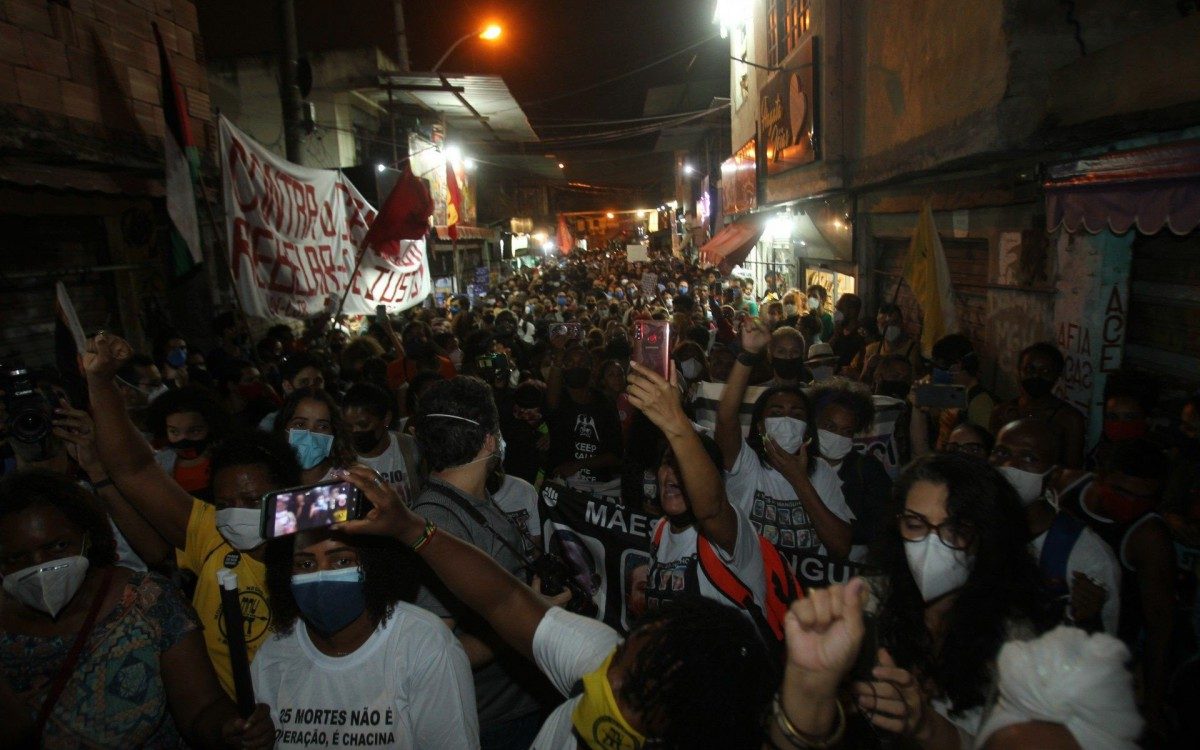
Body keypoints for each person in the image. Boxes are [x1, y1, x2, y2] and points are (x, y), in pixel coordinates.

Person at [333, 465, 779, 750]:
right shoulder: (596, 657)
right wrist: (412, 529)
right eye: (623, 655)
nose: (608, 676)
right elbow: (505, 598)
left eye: (634, 689)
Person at [85, 329, 301, 699]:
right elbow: (135, 469)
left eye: (252, 500)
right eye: (225, 502)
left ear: (288, 497)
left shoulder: (319, 552)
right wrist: (101, 382)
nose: (236, 514)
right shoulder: (210, 536)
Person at [0, 470, 273, 748]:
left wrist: (229, 728)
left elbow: (202, 708)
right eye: (17, 557)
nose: (40, 566)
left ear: (88, 536)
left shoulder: (148, 600)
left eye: (57, 546)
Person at [857, 453, 1055, 745]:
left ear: (987, 535)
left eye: (954, 529)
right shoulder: (869, 601)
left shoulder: (1021, 641)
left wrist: (925, 724)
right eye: (915, 524)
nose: (931, 545)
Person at [405, 377, 550, 750]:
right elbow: (438, 652)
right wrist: (527, 618)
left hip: (519, 704)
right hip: (491, 722)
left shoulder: (473, 500)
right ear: (489, 438)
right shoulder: (440, 524)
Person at [253, 524, 477, 748]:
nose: (321, 576)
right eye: (306, 564)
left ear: (375, 564)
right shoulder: (276, 651)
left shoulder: (422, 642)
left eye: (342, 561)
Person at [625, 361, 771, 628]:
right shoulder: (660, 531)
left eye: (685, 467)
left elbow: (710, 508)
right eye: (668, 463)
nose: (674, 474)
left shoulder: (731, 529)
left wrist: (675, 422)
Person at [716, 319, 855, 589]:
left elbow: (840, 547)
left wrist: (799, 480)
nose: (787, 420)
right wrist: (747, 356)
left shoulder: (821, 472)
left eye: (797, 414)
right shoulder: (746, 464)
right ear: (760, 425)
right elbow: (725, 418)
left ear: (807, 428)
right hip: (751, 588)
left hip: (805, 597)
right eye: (777, 413)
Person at [1053, 439, 1177, 738]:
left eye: (1143, 497)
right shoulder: (1065, 487)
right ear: (1101, 477)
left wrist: (1153, 705)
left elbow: (1160, 622)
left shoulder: (1148, 537)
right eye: (1122, 491)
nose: (1131, 503)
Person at [990, 419, 1121, 634]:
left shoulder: (1085, 554)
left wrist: (1088, 619)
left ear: (1054, 475)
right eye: (1002, 453)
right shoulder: (975, 529)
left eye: (1029, 457)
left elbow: (1104, 650)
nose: (1009, 466)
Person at [811, 380, 892, 566]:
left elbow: (881, 524)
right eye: (830, 427)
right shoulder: (797, 464)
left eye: (846, 431)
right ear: (814, 422)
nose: (838, 436)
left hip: (851, 570)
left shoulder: (868, 469)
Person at [545, 343, 623, 498]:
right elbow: (551, 402)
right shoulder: (560, 400)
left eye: (581, 363)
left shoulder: (604, 402)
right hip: (563, 491)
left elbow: (615, 454)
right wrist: (558, 360)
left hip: (599, 489)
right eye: (570, 363)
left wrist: (578, 465)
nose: (576, 367)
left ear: (591, 368)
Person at [991, 342, 1086, 468]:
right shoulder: (1002, 412)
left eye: (1045, 371)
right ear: (1019, 371)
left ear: (1057, 375)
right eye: (1030, 369)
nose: (1036, 376)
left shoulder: (1069, 419)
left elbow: (1072, 469)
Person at [147, 384, 231, 501]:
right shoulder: (159, 465)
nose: (183, 438)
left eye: (194, 431)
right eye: (174, 431)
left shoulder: (229, 460)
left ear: (211, 426)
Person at [343, 382, 422, 503]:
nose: (355, 431)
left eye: (363, 425)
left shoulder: (409, 446)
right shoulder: (342, 456)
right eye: (349, 427)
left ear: (386, 419)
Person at [273, 387, 356, 485]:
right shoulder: (269, 482)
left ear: (334, 432)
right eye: (300, 425)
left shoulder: (348, 481)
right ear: (283, 428)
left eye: (322, 426)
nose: (310, 435)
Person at [854, 303, 923, 384]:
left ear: (901, 323)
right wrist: (868, 367)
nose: (889, 328)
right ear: (878, 326)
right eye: (884, 324)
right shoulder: (872, 349)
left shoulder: (913, 350)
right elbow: (863, 383)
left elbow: (918, 382)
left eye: (894, 323)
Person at [257, 352, 327, 431]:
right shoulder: (271, 424)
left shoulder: (335, 419)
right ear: (287, 386)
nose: (312, 388)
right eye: (304, 383)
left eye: (317, 382)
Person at [828, 292, 866, 370]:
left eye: (840, 309)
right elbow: (827, 351)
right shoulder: (839, 329)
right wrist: (836, 334)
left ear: (852, 311)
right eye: (836, 309)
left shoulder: (861, 333)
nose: (836, 313)